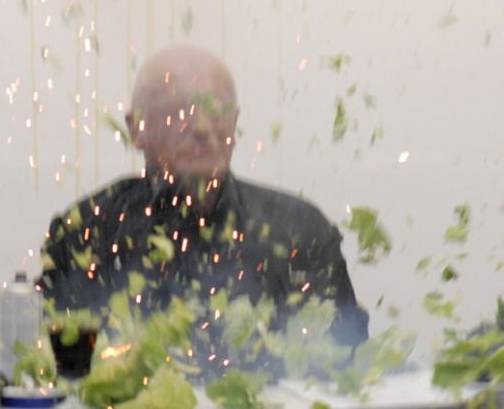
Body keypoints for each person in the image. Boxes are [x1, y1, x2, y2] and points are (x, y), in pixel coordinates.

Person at [38, 45, 369, 372]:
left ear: (234, 125)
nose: (201, 128)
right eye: (178, 111)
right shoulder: (88, 231)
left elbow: (348, 360)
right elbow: (52, 368)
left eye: (216, 111)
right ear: (137, 127)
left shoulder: (298, 230)